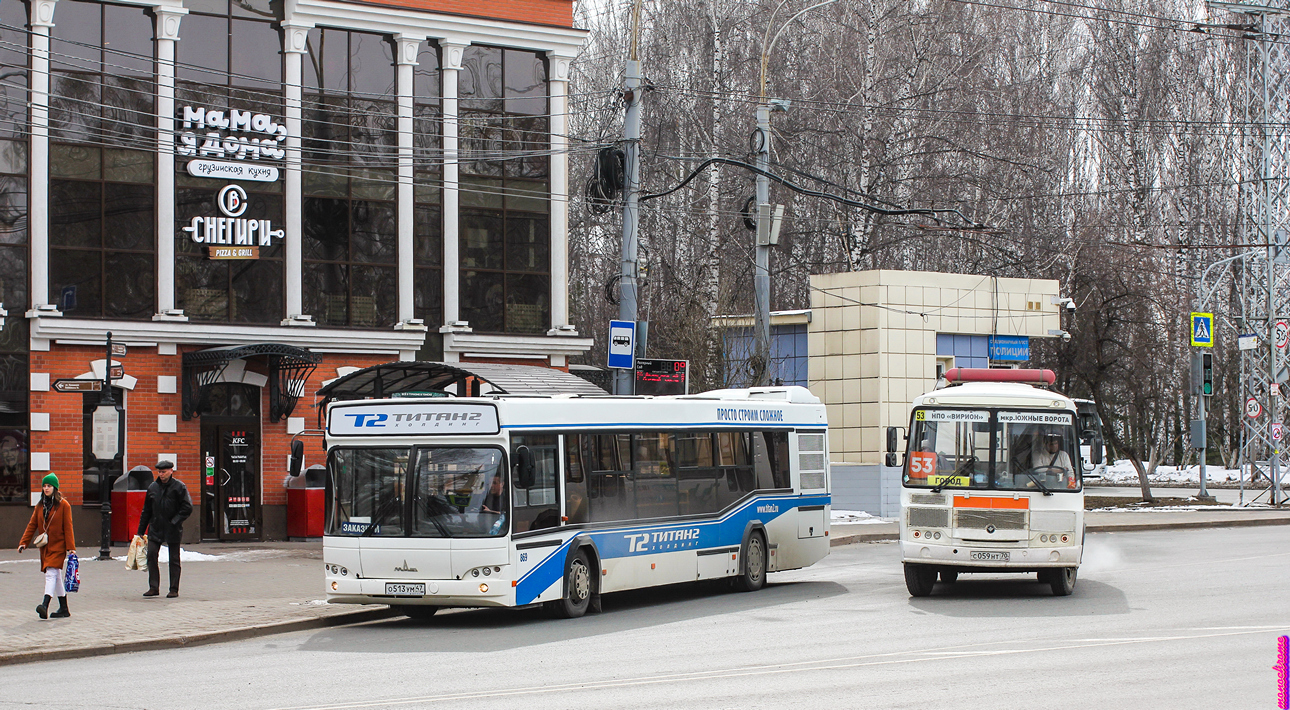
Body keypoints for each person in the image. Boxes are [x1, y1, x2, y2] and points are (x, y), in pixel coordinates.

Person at [17, 474, 75, 619]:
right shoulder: (40, 506)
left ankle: (45, 604)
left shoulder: (63, 505)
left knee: (51, 573)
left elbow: (68, 527)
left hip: (59, 546)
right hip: (45, 547)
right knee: (55, 576)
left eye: (49, 486)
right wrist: (23, 542)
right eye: (44, 486)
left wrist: (71, 547)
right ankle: (64, 608)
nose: (46, 488)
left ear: (55, 488)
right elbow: (32, 525)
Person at [137, 460, 193, 598]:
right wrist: (141, 530)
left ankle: (174, 589)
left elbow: (187, 507)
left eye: (164, 472)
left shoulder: (179, 487)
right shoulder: (153, 487)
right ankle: (153, 587)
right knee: (151, 555)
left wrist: (175, 521)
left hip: (172, 528)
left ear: (171, 471)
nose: (161, 474)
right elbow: (146, 510)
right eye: (159, 472)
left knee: (174, 559)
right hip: (155, 527)